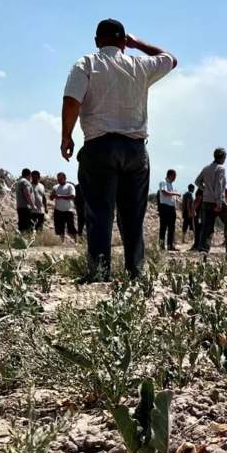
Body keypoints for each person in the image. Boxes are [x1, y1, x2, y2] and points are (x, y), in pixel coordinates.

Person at [61, 18, 176, 280]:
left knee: (100, 213)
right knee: (133, 215)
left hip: (100, 146)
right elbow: (170, 58)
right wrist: (139, 44)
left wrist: (66, 136)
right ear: (124, 42)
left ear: (96, 41)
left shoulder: (86, 63)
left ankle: (100, 273)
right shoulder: (140, 65)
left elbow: (71, 101)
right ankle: (136, 271)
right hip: (136, 150)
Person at [194, 147, 227, 253]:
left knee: (206, 225)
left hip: (206, 200)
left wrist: (205, 189)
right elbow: (219, 185)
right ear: (222, 157)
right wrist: (219, 202)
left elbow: (197, 181)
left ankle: (202, 247)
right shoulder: (221, 168)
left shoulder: (206, 168)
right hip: (216, 201)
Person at [51, 172, 78, 244]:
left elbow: (72, 196)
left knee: (71, 227)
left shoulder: (70, 186)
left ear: (65, 178)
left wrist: (60, 196)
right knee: (60, 227)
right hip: (58, 210)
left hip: (68, 210)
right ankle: (62, 242)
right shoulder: (55, 187)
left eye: (61, 178)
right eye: (58, 178)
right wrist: (53, 195)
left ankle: (76, 242)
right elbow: (51, 198)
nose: (59, 180)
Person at [158, 169, 180, 251]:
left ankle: (170, 245)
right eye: (174, 176)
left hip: (171, 208)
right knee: (163, 227)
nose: (175, 178)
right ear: (170, 175)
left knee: (172, 227)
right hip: (164, 207)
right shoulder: (163, 182)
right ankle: (161, 246)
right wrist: (175, 194)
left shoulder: (171, 184)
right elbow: (164, 192)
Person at [13, 168, 35, 233]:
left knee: (22, 226)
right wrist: (32, 205)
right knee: (27, 227)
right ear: (29, 175)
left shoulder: (19, 182)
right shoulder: (25, 182)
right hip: (26, 207)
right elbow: (27, 193)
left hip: (20, 207)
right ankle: (27, 241)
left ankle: (20, 240)